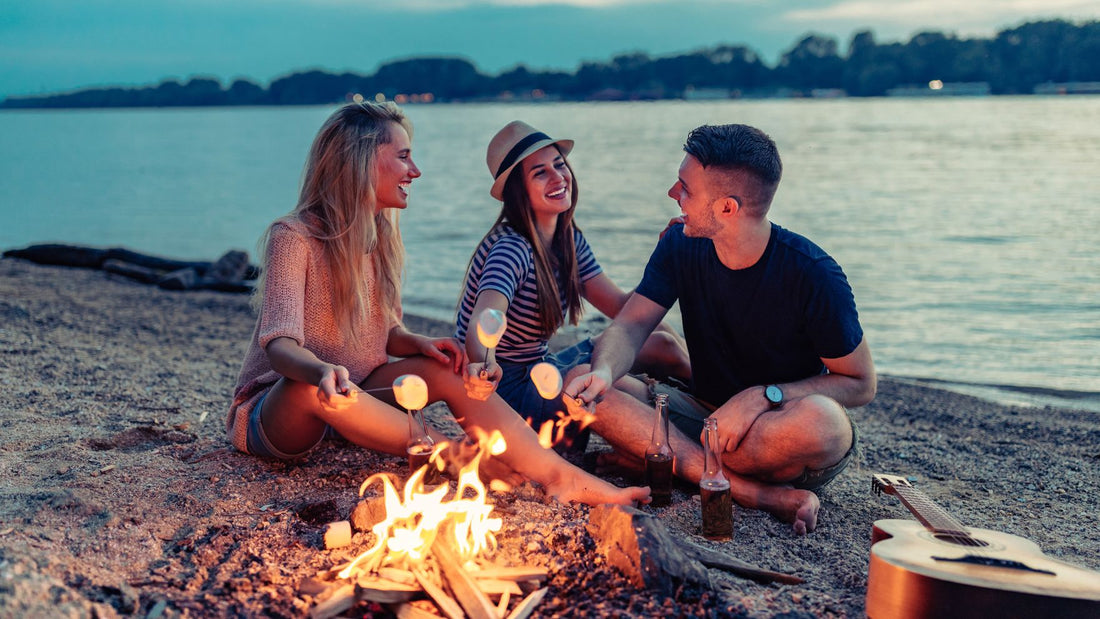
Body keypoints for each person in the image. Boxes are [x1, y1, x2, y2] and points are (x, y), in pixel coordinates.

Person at [226, 102, 648, 507]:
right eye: (404, 157)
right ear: (361, 161)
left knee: (450, 366)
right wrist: (319, 370)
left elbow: (386, 332)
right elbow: (279, 346)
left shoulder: (379, 238)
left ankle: (561, 476)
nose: (416, 171)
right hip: (281, 412)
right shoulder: (293, 236)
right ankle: (452, 456)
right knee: (307, 387)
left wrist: (420, 343)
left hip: (358, 399)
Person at [563, 123, 877, 533]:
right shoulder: (680, 244)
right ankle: (749, 492)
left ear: (727, 208)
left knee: (825, 425)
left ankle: (668, 459)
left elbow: (860, 383)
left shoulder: (814, 275)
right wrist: (604, 371)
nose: (673, 194)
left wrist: (763, 397)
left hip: (773, 431)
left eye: (685, 188)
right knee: (584, 382)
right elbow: (628, 328)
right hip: (703, 416)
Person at [455, 120, 691, 444]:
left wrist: (667, 255)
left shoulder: (568, 242)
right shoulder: (511, 248)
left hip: (540, 369)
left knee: (661, 333)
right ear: (516, 191)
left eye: (559, 164)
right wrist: (484, 363)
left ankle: (701, 401)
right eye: (540, 173)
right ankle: (711, 404)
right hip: (506, 393)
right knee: (661, 347)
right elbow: (484, 319)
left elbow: (625, 310)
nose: (558, 177)